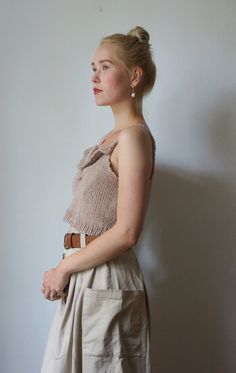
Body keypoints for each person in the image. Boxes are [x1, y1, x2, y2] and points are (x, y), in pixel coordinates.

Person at [40, 25, 157, 373]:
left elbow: (126, 233)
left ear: (134, 76)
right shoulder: (113, 137)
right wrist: (66, 269)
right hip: (86, 276)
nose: (95, 76)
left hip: (104, 279)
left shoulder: (134, 139)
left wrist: (62, 269)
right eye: (93, 67)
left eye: (105, 67)